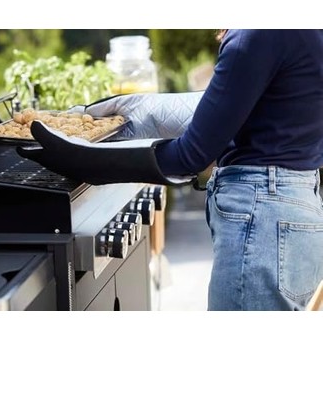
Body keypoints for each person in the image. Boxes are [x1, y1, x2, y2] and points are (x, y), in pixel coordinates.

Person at [19, 29, 323, 311]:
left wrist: (83, 160)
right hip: (298, 214)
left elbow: (190, 156)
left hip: (263, 221)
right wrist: (143, 112)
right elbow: (270, 106)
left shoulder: (257, 32)